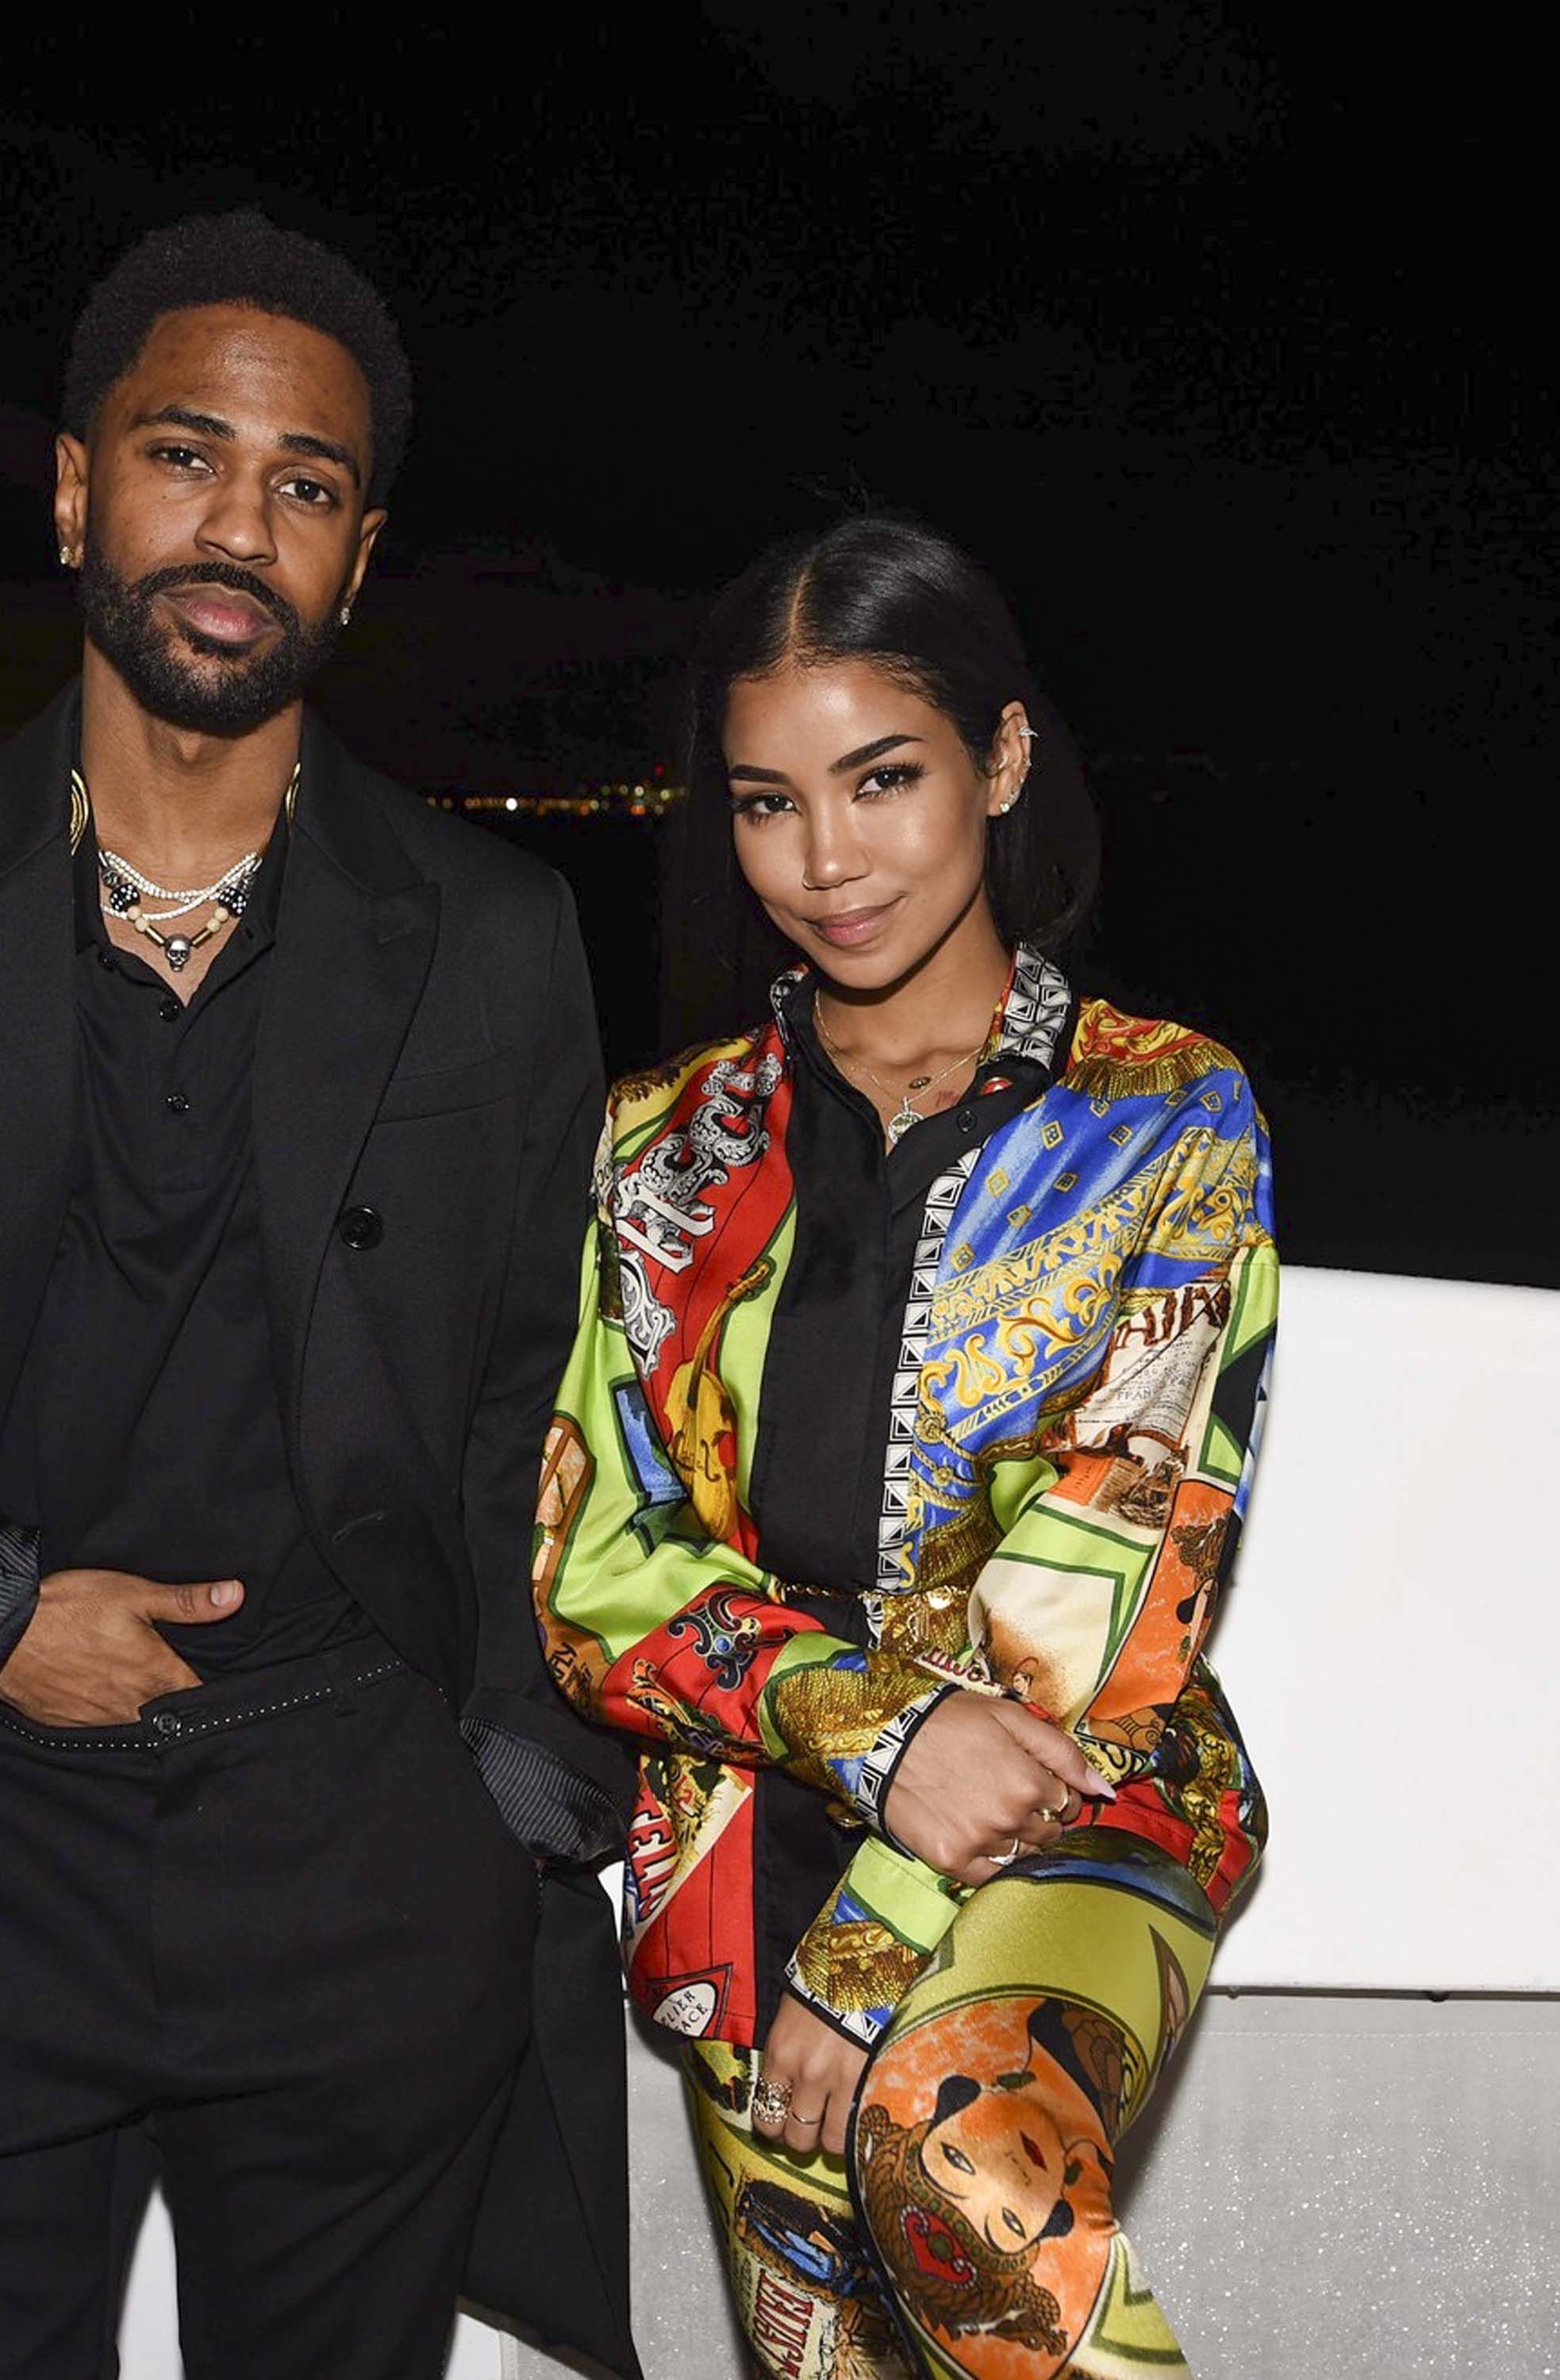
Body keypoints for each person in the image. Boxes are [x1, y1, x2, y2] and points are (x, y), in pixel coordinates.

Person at [0, 209, 637, 2380]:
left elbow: (538, 1381)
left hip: (356, 1868)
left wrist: (493, 1789)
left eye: (305, 485)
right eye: (187, 456)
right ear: (77, 490)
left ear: (359, 556)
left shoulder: (491, 933)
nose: (238, 526)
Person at [535, 515, 1274, 2377]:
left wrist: (872, 1951)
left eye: (882, 781)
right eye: (765, 802)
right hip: (739, 1860)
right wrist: (867, 1739)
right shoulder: (660, 1146)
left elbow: (1110, 1574)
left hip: (1080, 1804)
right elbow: (594, 1566)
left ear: (1000, 759)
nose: (825, 861)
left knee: (959, 2153)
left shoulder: (1161, 1114)